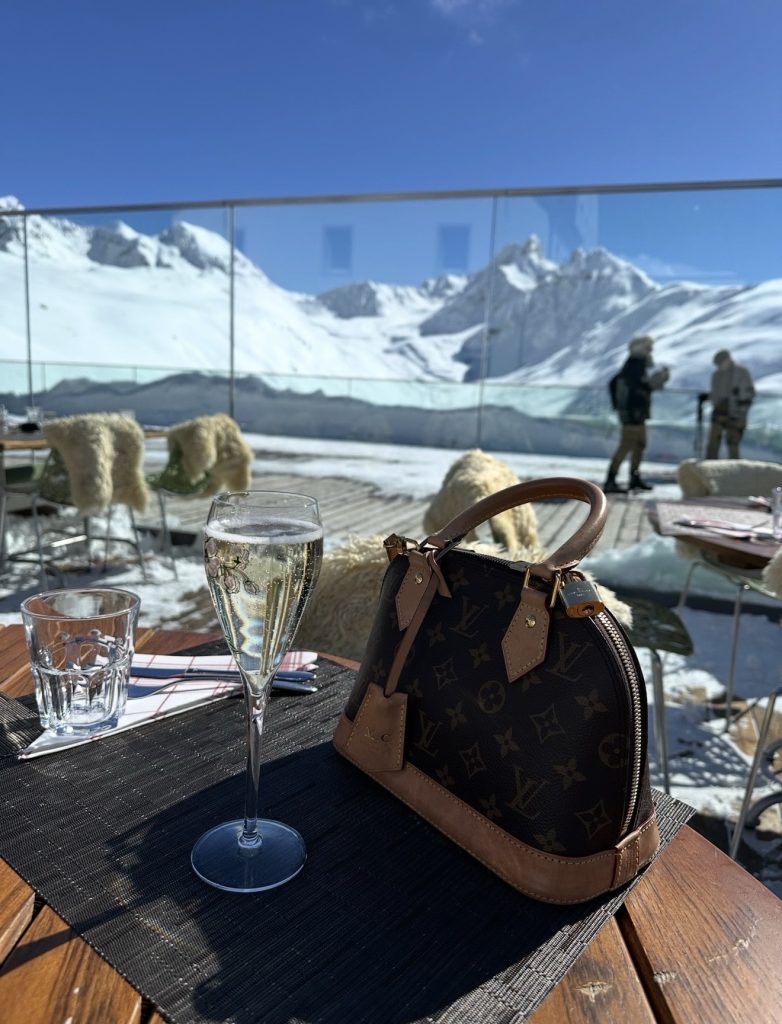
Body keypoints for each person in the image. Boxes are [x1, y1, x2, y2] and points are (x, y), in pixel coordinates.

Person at [604, 335, 670, 493]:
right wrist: (658, 380)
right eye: (648, 347)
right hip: (633, 415)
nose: (651, 351)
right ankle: (612, 480)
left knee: (638, 445)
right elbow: (640, 388)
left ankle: (632, 478)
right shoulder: (635, 365)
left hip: (635, 414)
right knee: (627, 445)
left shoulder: (635, 365)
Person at [703, 350, 755, 459]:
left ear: (727, 360)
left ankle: (733, 471)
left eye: (720, 363)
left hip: (736, 414)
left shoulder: (742, 372)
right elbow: (716, 394)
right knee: (713, 442)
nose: (719, 366)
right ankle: (710, 467)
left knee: (733, 444)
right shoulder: (716, 375)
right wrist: (708, 397)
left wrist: (741, 405)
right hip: (719, 412)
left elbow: (749, 394)